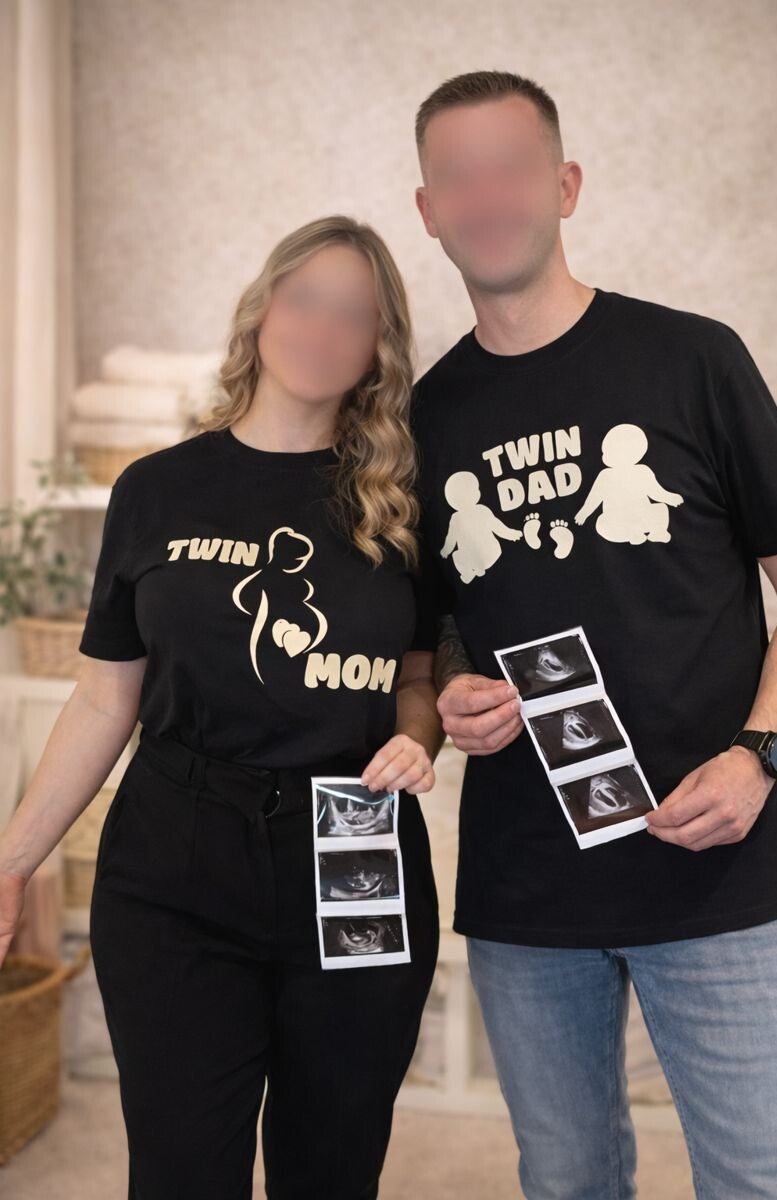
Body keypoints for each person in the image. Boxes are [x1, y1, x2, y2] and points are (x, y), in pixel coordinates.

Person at [410, 69, 777, 1198]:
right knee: (566, 1179)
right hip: (528, 890)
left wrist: (763, 754)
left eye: (511, 167)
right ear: (428, 209)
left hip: (720, 865)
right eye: (457, 177)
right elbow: (435, 627)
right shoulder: (423, 418)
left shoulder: (693, 359)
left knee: (763, 1177)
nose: (486, 196)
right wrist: (454, 689)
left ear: (565, 185)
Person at [0, 214, 444, 1199]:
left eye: (354, 314)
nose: (322, 328)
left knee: (331, 1170)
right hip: (176, 857)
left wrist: (420, 739)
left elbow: (419, 681)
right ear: (260, 310)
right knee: (181, 1171)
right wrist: (14, 859)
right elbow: (104, 697)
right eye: (304, 299)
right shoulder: (157, 490)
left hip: (353, 841)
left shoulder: (404, 500)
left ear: (379, 347)